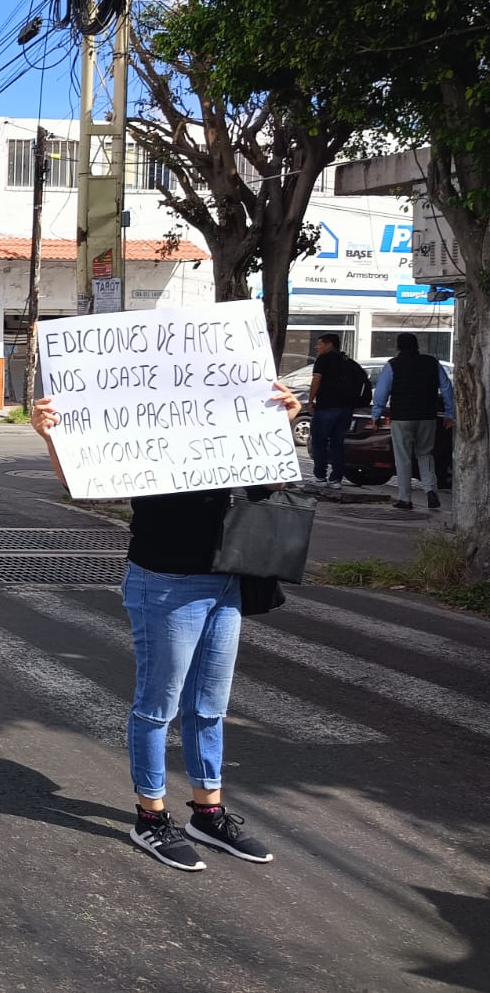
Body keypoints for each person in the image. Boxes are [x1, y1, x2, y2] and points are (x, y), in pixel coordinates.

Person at [31, 380, 302, 872]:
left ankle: (208, 812)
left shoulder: (229, 424)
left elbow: (270, 487)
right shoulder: (145, 426)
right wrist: (52, 436)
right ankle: (150, 817)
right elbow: (85, 482)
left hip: (228, 577)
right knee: (159, 705)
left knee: (209, 706)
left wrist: (277, 423)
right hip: (166, 579)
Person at [370, 332, 455, 511]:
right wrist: (450, 413)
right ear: (417, 346)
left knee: (403, 458)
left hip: (402, 417)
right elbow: (447, 387)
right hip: (427, 417)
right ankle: (431, 491)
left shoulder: (393, 365)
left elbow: (381, 392)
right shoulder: (432, 362)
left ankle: (405, 499)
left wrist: (376, 414)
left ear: (398, 346)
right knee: (425, 454)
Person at [307, 333, 367, 489]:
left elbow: (317, 380)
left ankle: (320, 476)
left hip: (326, 407)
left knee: (319, 441)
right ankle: (336, 479)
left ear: (329, 344)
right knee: (337, 444)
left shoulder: (323, 359)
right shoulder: (347, 361)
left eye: (319, 344)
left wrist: (310, 401)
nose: (316, 347)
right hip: (346, 409)